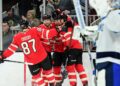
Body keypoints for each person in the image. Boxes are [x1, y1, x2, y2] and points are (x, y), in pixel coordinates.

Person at [0, 19, 59, 86]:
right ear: (28, 25)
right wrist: (57, 30)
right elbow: (48, 34)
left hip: (32, 62)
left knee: (37, 78)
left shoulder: (17, 37)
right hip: (43, 57)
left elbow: (11, 50)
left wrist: (2, 56)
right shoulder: (34, 30)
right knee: (49, 74)